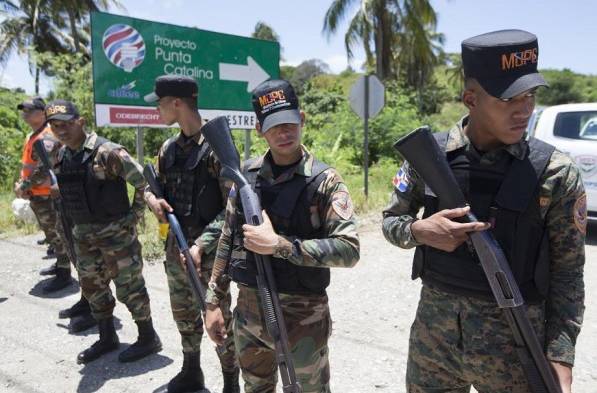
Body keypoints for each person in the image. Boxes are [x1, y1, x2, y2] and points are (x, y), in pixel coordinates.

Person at [382, 30, 586, 393]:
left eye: (531, 96)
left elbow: (568, 276)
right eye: (509, 99)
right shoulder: (430, 157)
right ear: (470, 99)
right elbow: (390, 221)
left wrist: (560, 358)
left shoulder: (555, 172)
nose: (524, 110)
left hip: (515, 351)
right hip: (435, 343)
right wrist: (419, 232)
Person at [205, 79, 360, 393]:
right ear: (260, 129)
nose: (284, 133)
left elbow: (349, 248)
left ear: (302, 119)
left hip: (302, 318)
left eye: (290, 123)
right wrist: (212, 304)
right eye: (274, 126)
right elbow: (227, 242)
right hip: (248, 315)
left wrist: (281, 245)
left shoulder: (324, 180)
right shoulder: (243, 176)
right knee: (255, 388)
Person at [46, 99, 162, 364]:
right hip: (83, 236)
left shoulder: (107, 151)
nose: (60, 129)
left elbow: (143, 182)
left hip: (116, 236)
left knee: (130, 288)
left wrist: (133, 217)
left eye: (65, 123)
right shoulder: (61, 156)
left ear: (81, 121)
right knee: (93, 288)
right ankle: (107, 337)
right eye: (54, 125)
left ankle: (148, 337)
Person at [144, 75, 240, 393]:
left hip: (209, 254)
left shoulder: (216, 146)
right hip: (177, 250)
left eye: (160, 103)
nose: (157, 109)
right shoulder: (168, 149)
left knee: (218, 319)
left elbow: (233, 208)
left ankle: (230, 382)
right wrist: (152, 200)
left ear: (177, 103)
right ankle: (191, 370)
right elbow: (151, 186)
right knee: (184, 313)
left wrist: (201, 244)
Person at [14, 96, 73, 292]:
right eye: (23, 110)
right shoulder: (34, 134)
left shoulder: (47, 136)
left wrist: (24, 186)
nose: (25, 114)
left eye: (29, 110)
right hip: (38, 194)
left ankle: (64, 274)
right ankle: (60, 264)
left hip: (48, 195)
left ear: (41, 114)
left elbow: (42, 170)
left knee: (58, 234)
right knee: (51, 233)